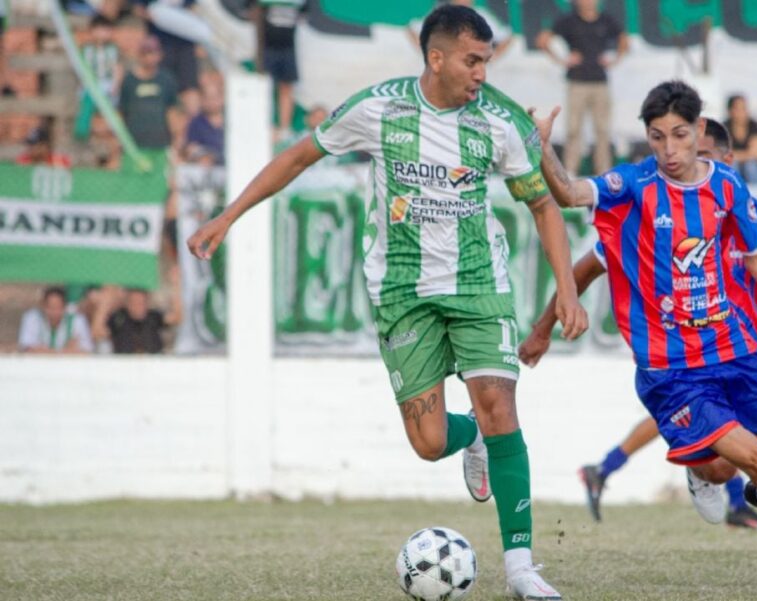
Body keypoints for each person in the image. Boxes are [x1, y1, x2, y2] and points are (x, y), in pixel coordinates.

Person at [187, 7, 587, 600]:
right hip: (401, 290)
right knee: (428, 442)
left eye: (487, 61)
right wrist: (229, 213)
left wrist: (568, 288)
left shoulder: (499, 122)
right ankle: (469, 436)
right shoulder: (379, 109)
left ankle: (522, 568)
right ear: (437, 57)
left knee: (499, 403)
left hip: (478, 283)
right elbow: (300, 156)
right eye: (472, 60)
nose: (481, 73)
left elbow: (543, 206)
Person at [531, 80, 757, 595]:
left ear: (699, 132)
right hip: (674, 372)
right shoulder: (635, 188)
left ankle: (733, 482)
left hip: (737, 355)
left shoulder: (727, 187)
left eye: (679, 135)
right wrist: (542, 148)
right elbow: (570, 193)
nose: (668, 150)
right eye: (656, 137)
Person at [535, 119, 757, 530]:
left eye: (705, 158)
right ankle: (716, 484)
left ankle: (616, 468)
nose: (693, 166)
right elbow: (586, 266)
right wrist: (543, 327)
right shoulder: (645, 219)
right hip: (668, 352)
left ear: (726, 162)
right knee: (705, 426)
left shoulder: (738, 210)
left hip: (731, 342)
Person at [536, 0, 628, 176]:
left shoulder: (606, 20)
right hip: (577, 81)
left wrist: (615, 60)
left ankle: (604, 171)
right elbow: (542, 40)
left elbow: (624, 40)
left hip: (599, 82)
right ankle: (570, 170)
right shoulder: (569, 20)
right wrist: (562, 60)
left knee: (602, 130)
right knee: (573, 129)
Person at [118, 35, 183, 167]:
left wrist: (176, 141)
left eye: (153, 53)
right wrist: (120, 141)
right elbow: (122, 112)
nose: (149, 58)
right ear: (139, 56)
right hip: (133, 146)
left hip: (160, 145)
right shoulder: (129, 81)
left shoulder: (166, 80)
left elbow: (172, 112)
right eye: (145, 53)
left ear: (160, 55)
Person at [247, 0, 307, 136]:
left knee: (286, 85)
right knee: (264, 85)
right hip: (266, 44)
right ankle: (264, 123)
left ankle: (284, 127)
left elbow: (304, 12)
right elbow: (251, 9)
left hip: (289, 44)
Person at [132, 0, 202, 115]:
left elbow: (196, 9)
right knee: (162, 88)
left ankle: (194, 127)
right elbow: (137, 9)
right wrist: (152, 16)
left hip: (186, 45)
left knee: (189, 89)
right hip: (159, 46)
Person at [408, 1, 513, 58]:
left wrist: (491, 59)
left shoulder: (482, 15)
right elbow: (412, 29)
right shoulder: (439, 14)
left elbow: (507, 37)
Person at [17, 287, 94, 354]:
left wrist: (45, 351)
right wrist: (65, 352)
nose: (54, 312)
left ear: (65, 307)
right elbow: (28, 350)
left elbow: (86, 352)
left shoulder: (77, 319)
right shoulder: (32, 317)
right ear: (43, 306)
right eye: (50, 307)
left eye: (58, 307)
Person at [108, 288, 180, 354]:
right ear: (127, 304)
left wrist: (175, 289)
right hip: (124, 363)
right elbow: (99, 332)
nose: (138, 306)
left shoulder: (153, 316)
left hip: (154, 362)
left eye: (142, 302)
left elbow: (176, 318)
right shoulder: (119, 318)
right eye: (134, 303)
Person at [724, 94, 757, 183]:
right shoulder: (724, 127)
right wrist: (748, 154)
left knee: (751, 165)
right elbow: (724, 155)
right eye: (738, 108)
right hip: (733, 164)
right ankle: (734, 194)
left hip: (751, 165)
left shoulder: (754, 125)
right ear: (730, 111)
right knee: (732, 165)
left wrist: (736, 155)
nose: (743, 112)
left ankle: (755, 194)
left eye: (744, 108)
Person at [184, 82, 224, 165]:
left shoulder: (232, 120)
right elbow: (191, 149)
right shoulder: (196, 123)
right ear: (202, 100)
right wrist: (203, 155)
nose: (211, 101)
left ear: (222, 98)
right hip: (206, 168)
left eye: (214, 97)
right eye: (208, 98)